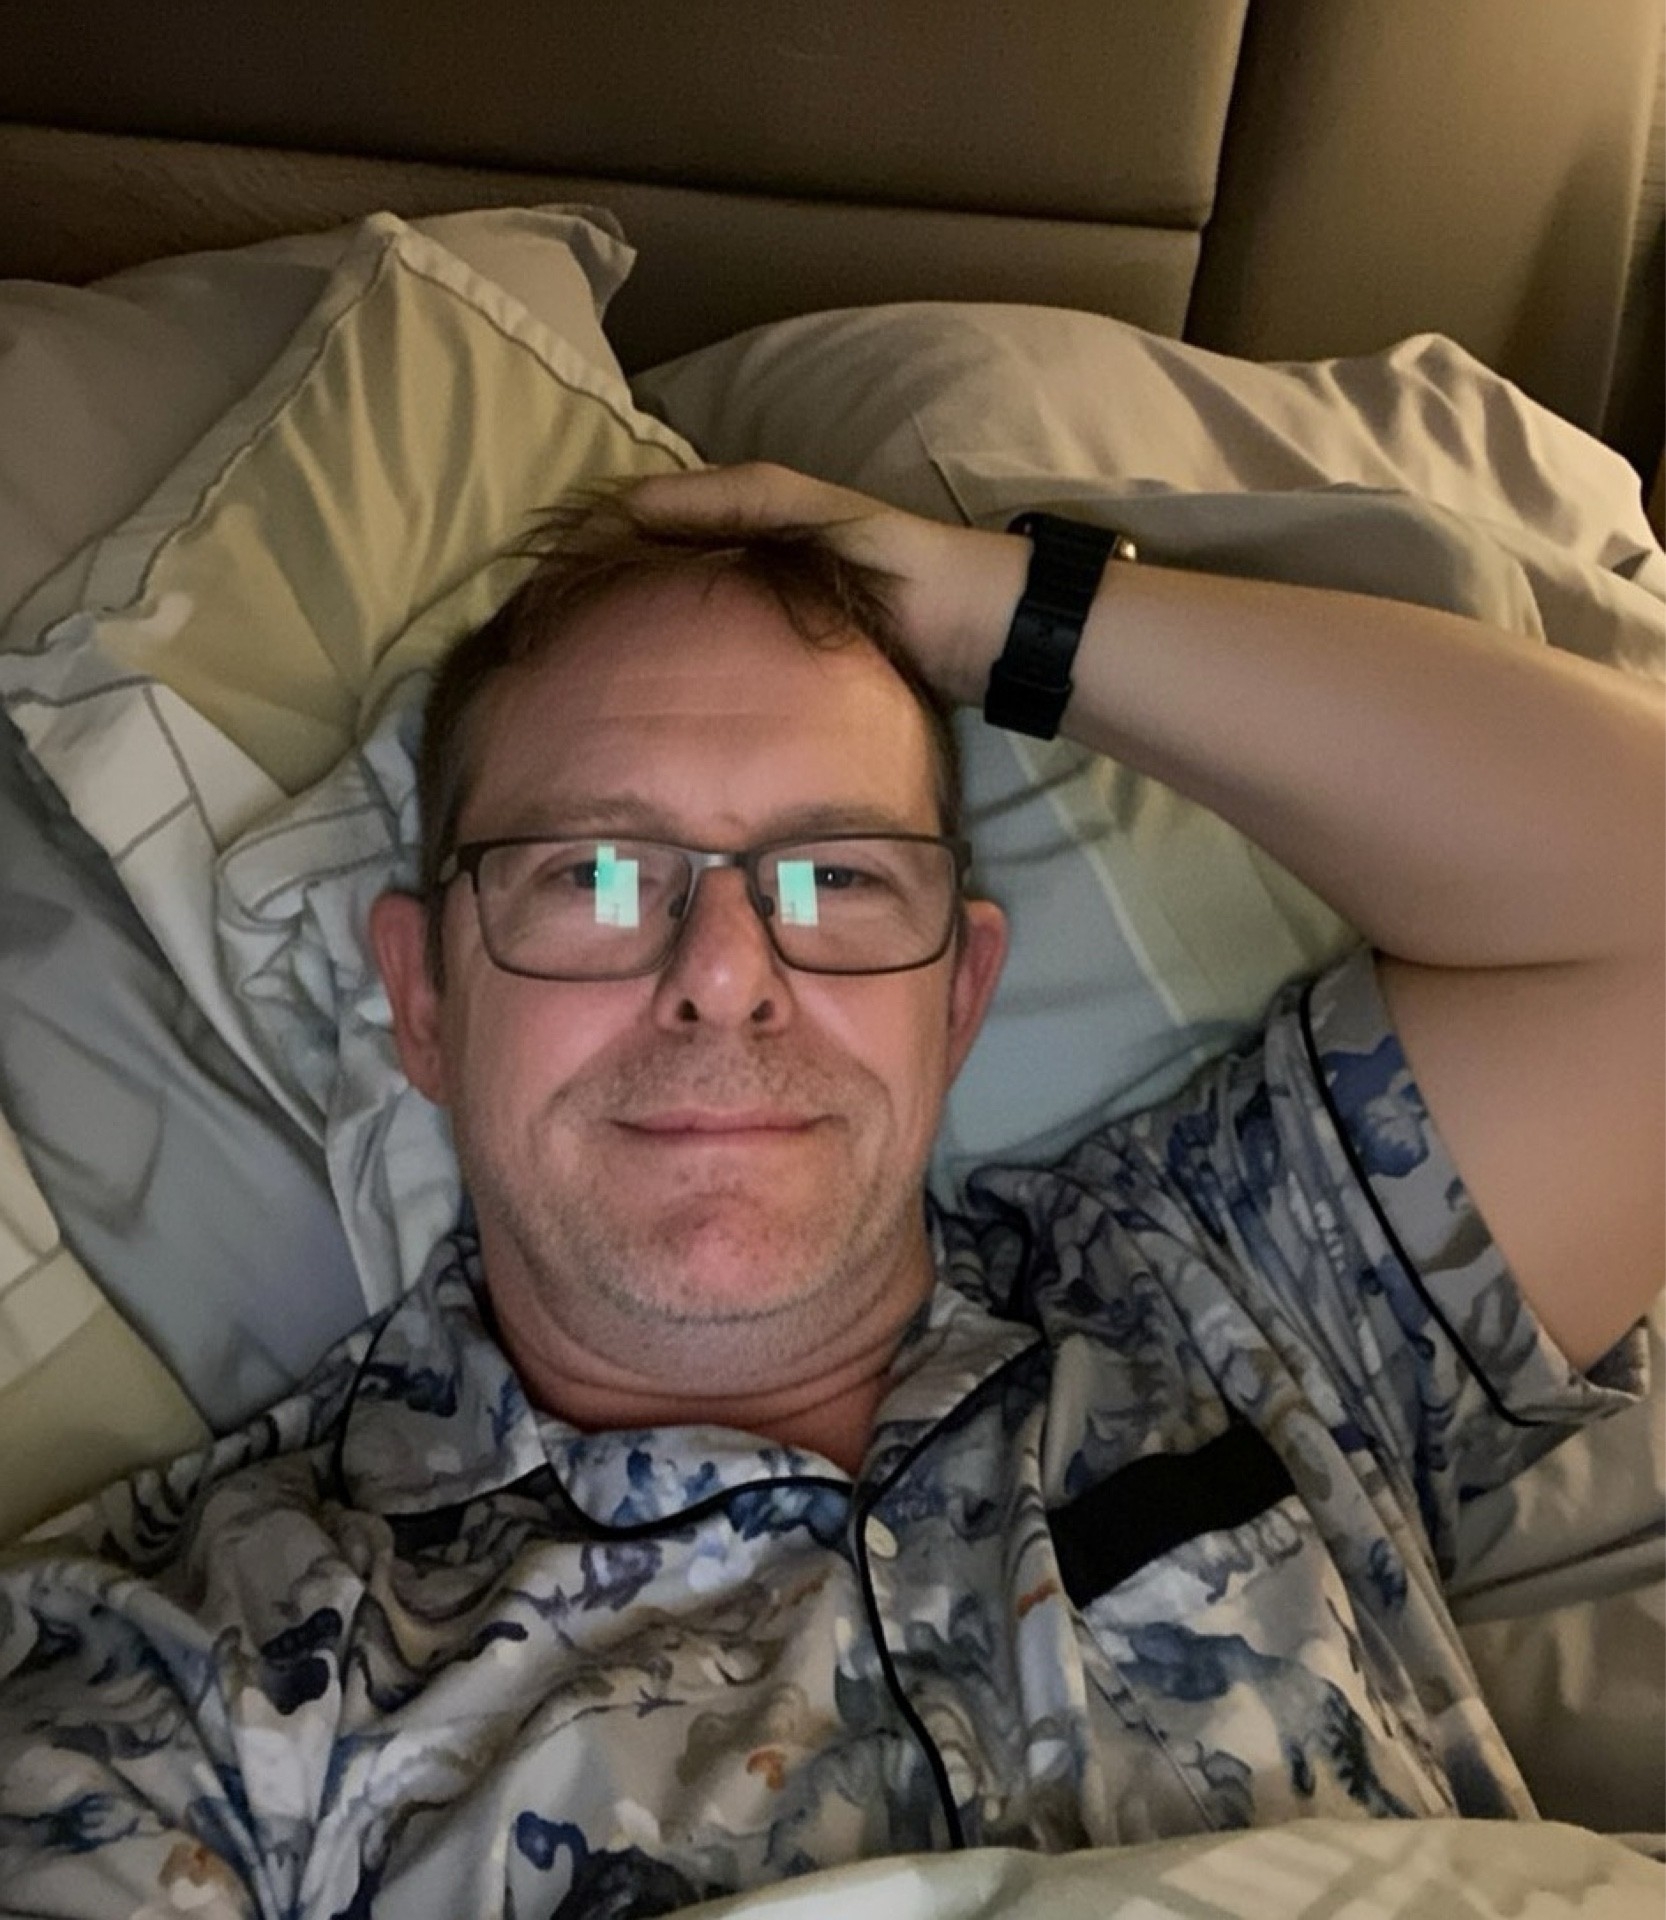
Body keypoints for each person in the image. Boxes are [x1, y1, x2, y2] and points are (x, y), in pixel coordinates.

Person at [0, 463, 1659, 1917]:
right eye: (594, 873)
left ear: (957, 997)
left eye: (835, 874)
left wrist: (995, 610)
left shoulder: (1222, 1295)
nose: (725, 975)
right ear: (425, 1000)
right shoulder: (186, 1674)